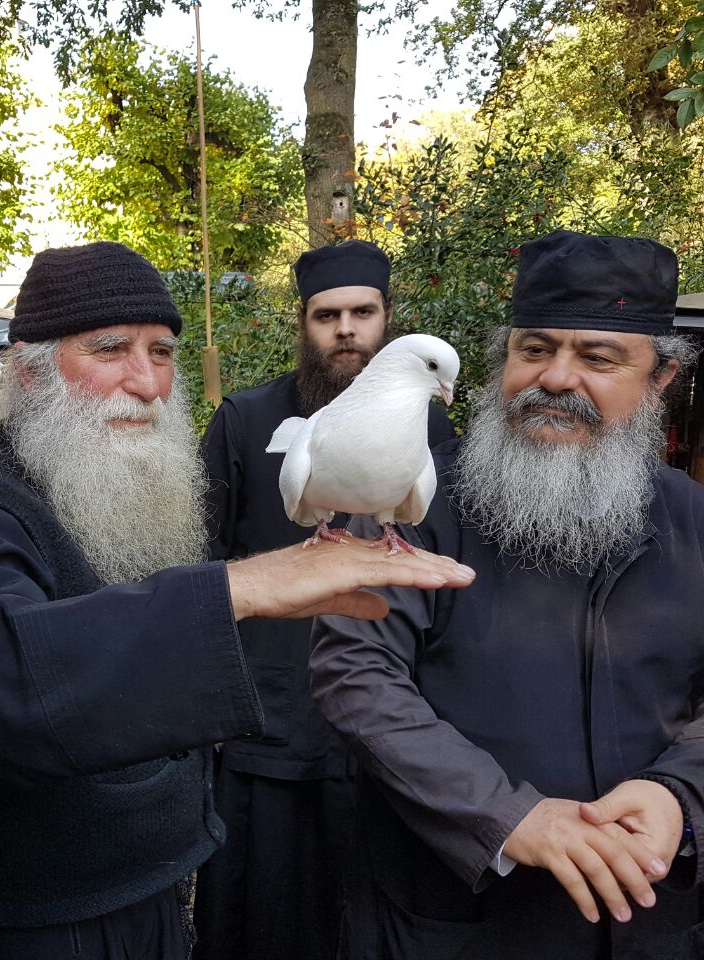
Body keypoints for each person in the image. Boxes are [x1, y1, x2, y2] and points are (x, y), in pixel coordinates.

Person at [0, 240, 475, 960]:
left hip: (147, 882)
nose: (147, 384)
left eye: (161, 353)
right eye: (110, 350)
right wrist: (240, 588)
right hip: (38, 913)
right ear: (31, 373)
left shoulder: (108, 490)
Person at [308, 229, 704, 960]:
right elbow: (355, 671)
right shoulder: (412, 503)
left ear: (660, 377)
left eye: (598, 358)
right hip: (451, 921)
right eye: (533, 349)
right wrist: (506, 816)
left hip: (644, 924)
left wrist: (679, 798)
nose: (556, 379)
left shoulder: (703, 526)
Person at [194, 239, 454, 960]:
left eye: (362, 313)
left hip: (389, 720)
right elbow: (201, 561)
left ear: (388, 320)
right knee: (261, 916)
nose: (346, 330)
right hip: (268, 718)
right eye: (326, 315)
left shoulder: (433, 427)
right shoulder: (246, 420)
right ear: (303, 325)